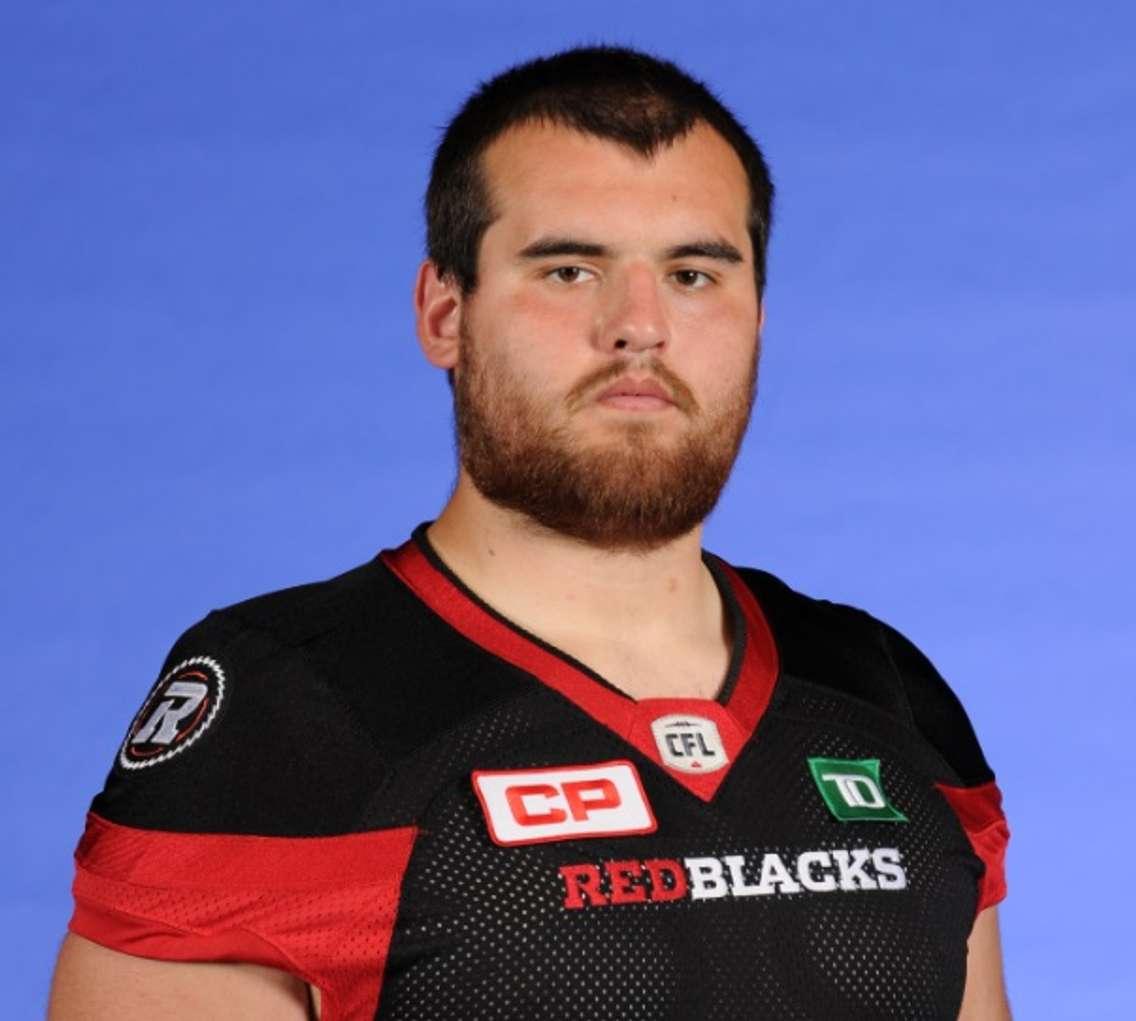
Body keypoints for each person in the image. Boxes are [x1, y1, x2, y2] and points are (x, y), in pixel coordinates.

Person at [48, 45, 1011, 1021]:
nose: (638, 326)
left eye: (690, 273)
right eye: (566, 269)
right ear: (443, 313)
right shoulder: (286, 709)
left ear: (756, 315)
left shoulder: (883, 694)